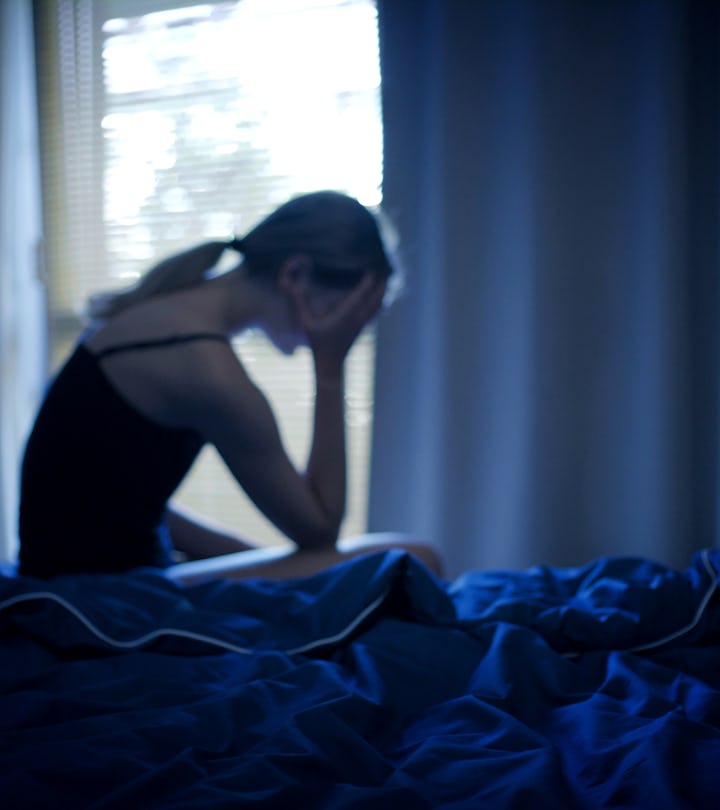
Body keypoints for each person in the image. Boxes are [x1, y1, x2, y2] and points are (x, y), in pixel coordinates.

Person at [18, 191, 442, 583]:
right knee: (416, 559)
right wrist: (331, 363)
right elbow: (321, 529)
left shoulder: (163, 313)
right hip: (101, 595)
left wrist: (260, 563)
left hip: (78, 572)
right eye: (343, 313)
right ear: (294, 274)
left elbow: (115, 502)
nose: (346, 328)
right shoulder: (207, 368)